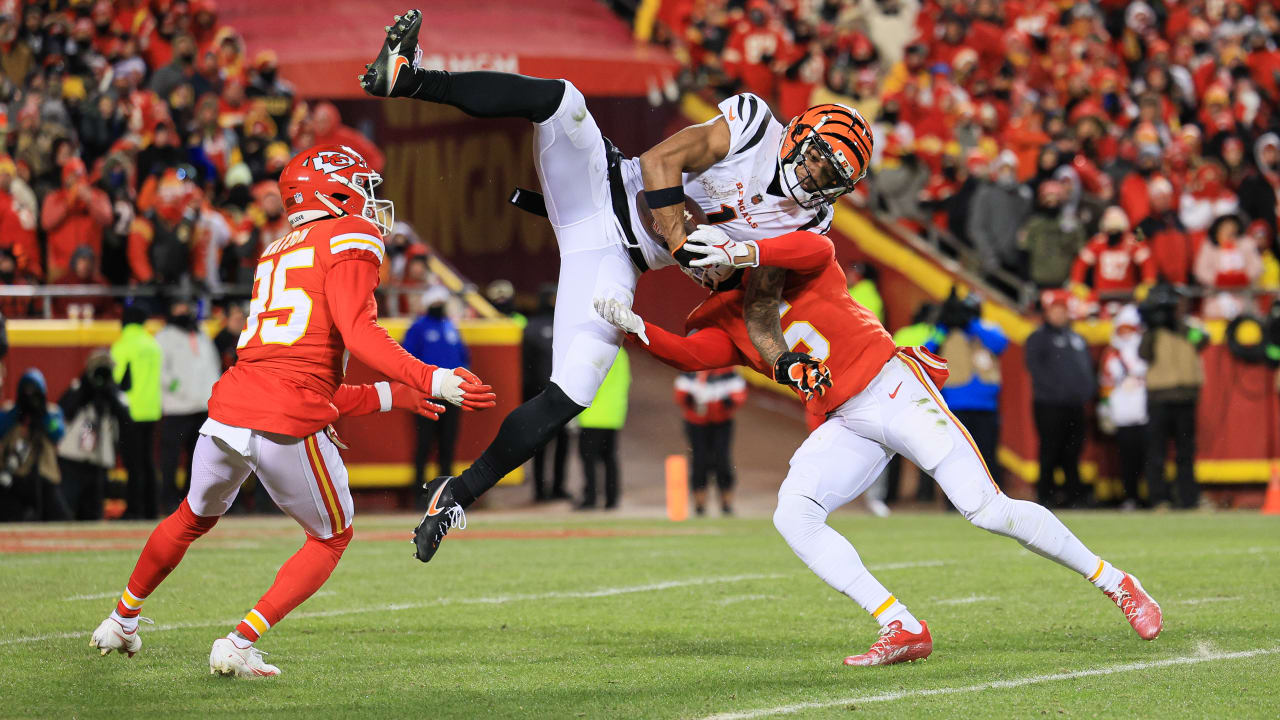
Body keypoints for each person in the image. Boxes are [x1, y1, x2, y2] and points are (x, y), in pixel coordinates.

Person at [361, 11, 870, 561]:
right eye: (819, 156)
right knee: (562, 100)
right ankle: (409, 79)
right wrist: (682, 244)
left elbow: (761, 306)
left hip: (616, 261)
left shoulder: (809, 224)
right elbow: (659, 162)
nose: (815, 175)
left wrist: (783, 359)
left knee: (574, 390)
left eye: (830, 176)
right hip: (600, 188)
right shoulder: (751, 125)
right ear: (801, 131)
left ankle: (456, 494)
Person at [596, 228, 1162, 666]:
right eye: (699, 260)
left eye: (712, 250)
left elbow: (814, 246)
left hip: (891, 387)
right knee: (794, 514)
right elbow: (695, 355)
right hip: (846, 419)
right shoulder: (725, 318)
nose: (706, 263)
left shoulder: (788, 262)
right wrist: (636, 327)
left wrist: (747, 250)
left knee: (986, 509)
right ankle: (901, 626)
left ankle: (1118, 583)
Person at [88, 144, 496, 678]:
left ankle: (121, 620)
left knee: (191, 517)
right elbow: (359, 334)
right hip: (284, 419)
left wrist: (393, 395)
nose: (372, 203)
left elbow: (305, 378)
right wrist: (431, 376)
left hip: (232, 407)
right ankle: (239, 642)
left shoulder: (276, 248)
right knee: (332, 537)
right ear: (334, 190)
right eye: (363, 188)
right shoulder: (350, 236)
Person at [926, 289, 1008, 493]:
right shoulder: (944, 331)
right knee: (956, 458)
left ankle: (992, 496)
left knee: (987, 457)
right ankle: (953, 501)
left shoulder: (986, 328)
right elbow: (925, 351)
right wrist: (944, 326)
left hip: (986, 406)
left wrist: (971, 324)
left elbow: (1000, 344)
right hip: (955, 406)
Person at [1138, 284, 1207, 510]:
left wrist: (1176, 325)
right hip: (1159, 398)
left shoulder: (1190, 327)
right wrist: (1154, 326)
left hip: (1186, 398)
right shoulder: (1153, 330)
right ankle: (1159, 499)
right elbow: (1143, 353)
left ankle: (1188, 499)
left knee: (1186, 453)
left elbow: (1202, 340)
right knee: (1156, 452)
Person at [1025, 290, 1095, 508]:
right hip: (1049, 404)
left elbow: (1086, 368)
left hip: (1074, 404)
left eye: (1063, 311)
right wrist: (1057, 390)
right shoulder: (1038, 338)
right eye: (1055, 311)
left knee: (1073, 451)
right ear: (1047, 313)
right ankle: (1046, 495)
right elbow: (1035, 369)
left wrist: (1085, 391)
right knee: (1050, 449)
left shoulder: (1076, 338)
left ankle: (1073, 495)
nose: (1059, 316)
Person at [155, 298, 221, 510]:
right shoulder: (164, 337)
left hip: (202, 407)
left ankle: (191, 500)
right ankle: (167, 499)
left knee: (199, 459)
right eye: (179, 306)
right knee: (171, 458)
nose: (183, 311)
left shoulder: (201, 334)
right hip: (177, 408)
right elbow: (160, 371)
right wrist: (178, 388)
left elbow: (212, 366)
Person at [402, 286, 469, 490]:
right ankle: (419, 492)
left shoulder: (450, 327)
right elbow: (406, 359)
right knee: (424, 444)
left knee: (447, 445)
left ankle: (445, 492)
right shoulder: (418, 328)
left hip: (451, 395)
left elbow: (463, 357)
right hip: (427, 395)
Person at [57, 351, 130, 520]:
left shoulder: (114, 393)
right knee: (67, 513)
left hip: (98, 464)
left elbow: (127, 419)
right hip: (72, 462)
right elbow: (65, 411)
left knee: (93, 516)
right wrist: (86, 389)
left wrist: (110, 393)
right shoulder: (78, 388)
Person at [111, 304, 163, 520]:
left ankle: (134, 509)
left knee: (133, 465)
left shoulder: (122, 345)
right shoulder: (153, 344)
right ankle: (151, 509)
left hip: (130, 411)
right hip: (151, 411)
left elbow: (116, 380)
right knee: (148, 462)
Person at [675, 367, 747, 516]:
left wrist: (729, 401)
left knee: (722, 460)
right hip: (696, 422)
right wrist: (688, 399)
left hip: (721, 421)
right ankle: (699, 504)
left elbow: (739, 393)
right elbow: (680, 392)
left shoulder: (727, 370)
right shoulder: (691, 368)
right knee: (699, 461)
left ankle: (726, 503)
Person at [0, 369, 69, 521]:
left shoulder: (52, 412)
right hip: (15, 477)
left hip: (45, 478)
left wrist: (43, 416)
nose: (30, 397)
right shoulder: (11, 411)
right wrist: (18, 414)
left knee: (60, 519)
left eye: (34, 391)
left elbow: (58, 433)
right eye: (26, 391)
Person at [523, 285, 571, 503]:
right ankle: (540, 490)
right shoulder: (531, 328)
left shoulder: (566, 324)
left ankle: (559, 486)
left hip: (563, 394)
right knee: (540, 445)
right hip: (540, 396)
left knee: (563, 444)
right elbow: (526, 367)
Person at [1097, 305, 1148, 509]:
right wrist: (1105, 409)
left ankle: (1150, 495)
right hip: (1122, 412)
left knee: (1149, 457)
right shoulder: (1112, 353)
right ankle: (1131, 497)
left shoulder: (1144, 349)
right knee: (1127, 460)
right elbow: (1106, 381)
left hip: (1145, 410)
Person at [575, 348, 630, 510]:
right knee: (609, 457)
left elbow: (587, 381)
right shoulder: (621, 354)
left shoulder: (596, 352)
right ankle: (612, 498)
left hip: (593, 414)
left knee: (588, 458)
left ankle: (590, 497)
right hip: (614, 413)